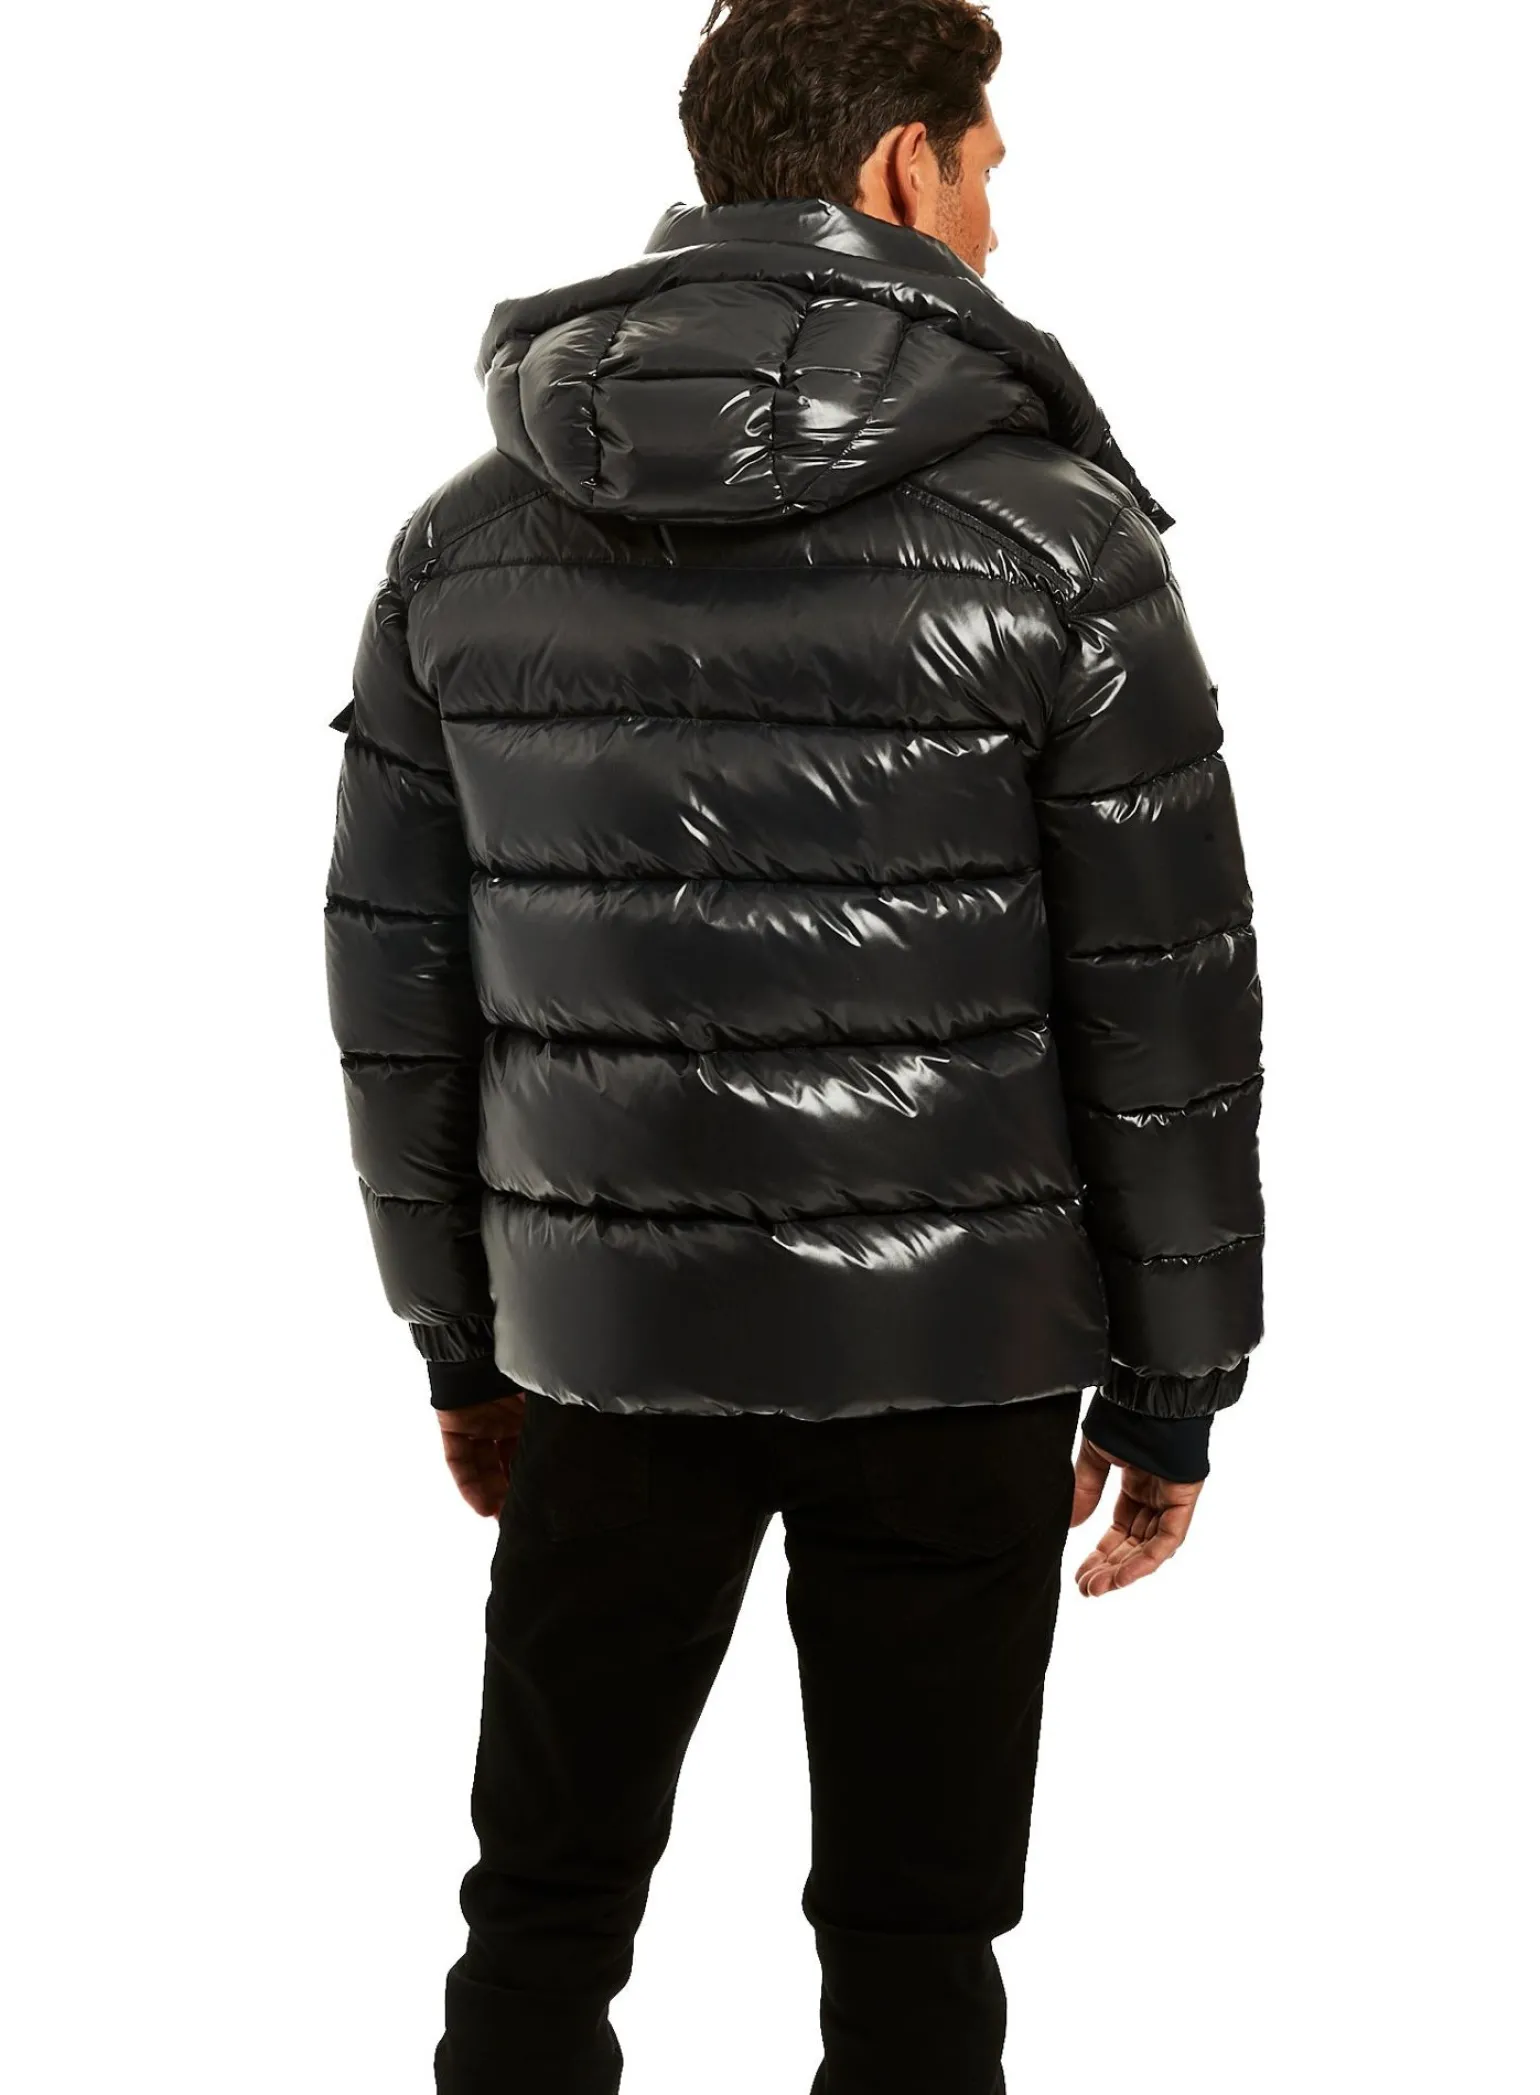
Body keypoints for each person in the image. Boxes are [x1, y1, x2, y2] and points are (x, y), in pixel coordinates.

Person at [322, 2, 1265, 2087]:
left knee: (539, 1912)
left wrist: (459, 1342)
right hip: (959, 1346)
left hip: (602, 1343)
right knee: (919, 1939)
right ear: (901, 164)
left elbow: (395, 988)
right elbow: (1170, 1005)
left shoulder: (463, 540)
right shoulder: (1060, 543)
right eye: (988, 165)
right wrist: (1176, 1382)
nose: (999, 217)